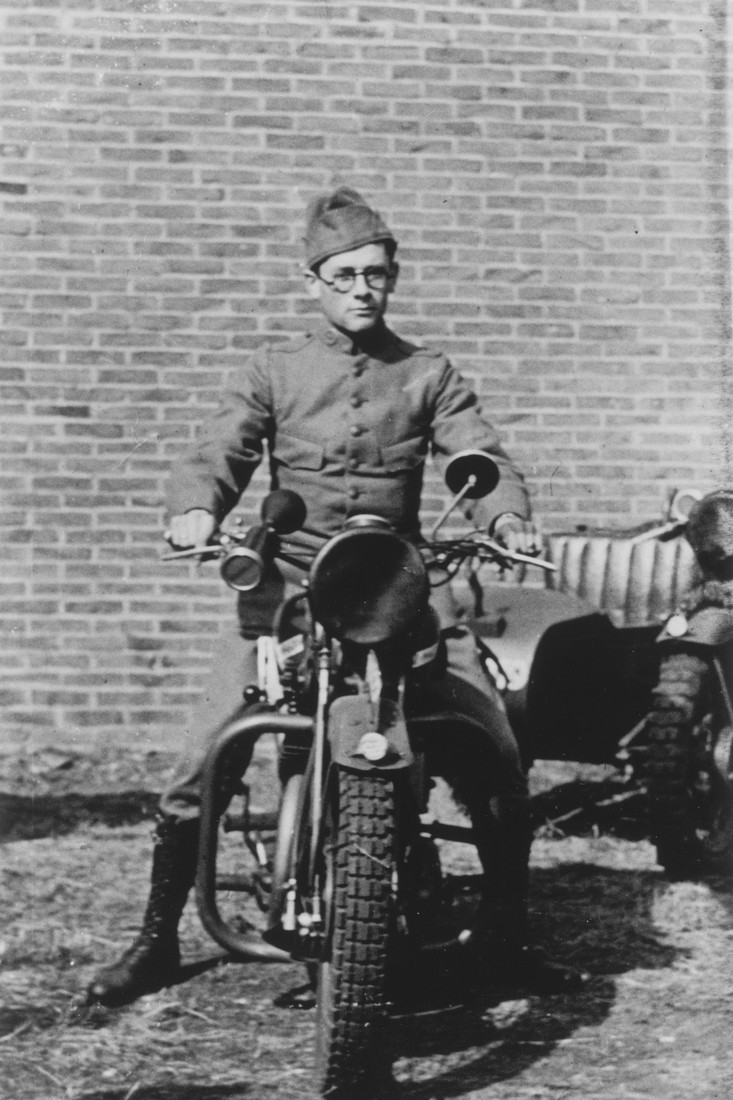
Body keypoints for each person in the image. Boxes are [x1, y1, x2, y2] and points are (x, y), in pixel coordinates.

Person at [87, 187, 585, 1008]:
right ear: (311, 281)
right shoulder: (274, 370)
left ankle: (503, 936)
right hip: (287, 595)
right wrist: (195, 508)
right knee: (202, 757)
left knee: (491, 745)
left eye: (377, 275)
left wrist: (506, 516)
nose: (362, 289)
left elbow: (482, 455)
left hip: (398, 590)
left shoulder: (428, 373)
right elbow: (221, 446)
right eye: (345, 274)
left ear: (392, 282)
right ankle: (155, 941)